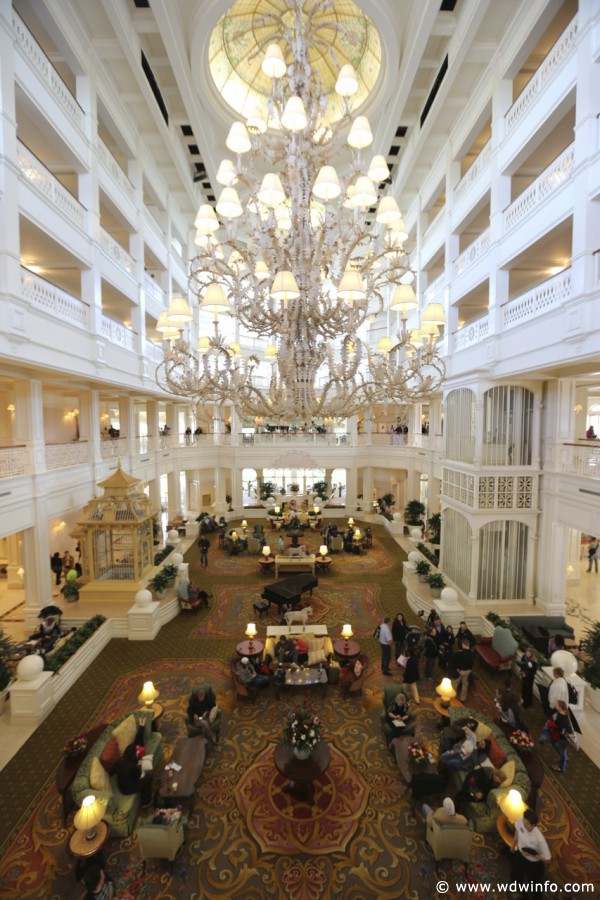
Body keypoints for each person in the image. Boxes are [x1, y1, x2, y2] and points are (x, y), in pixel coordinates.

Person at [113, 717, 153, 807]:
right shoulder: (132, 766)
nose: (137, 752)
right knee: (148, 776)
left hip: (122, 784)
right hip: (128, 788)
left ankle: (144, 796)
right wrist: (139, 765)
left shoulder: (120, 761)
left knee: (145, 776)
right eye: (136, 752)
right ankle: (147, 801)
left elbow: (112, 772)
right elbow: (138, 775)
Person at [510, 809, 551, 888]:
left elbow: (548, 860)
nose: (524, 825)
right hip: (520, 853)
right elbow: (517, 831)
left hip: (532, 862)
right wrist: (513, 845)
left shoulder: (539, 839)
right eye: (524, 822)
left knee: (534, 884)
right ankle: (519, 889)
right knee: (514, 874)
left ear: (534, 825)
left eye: (527, 824)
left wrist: (532, 855)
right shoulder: (522, 820)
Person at [540, 699, 571, 772]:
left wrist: (551, 725)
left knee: (561, 750)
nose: (555, 705)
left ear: (560, 707)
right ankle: (564, 758)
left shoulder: (560, 718)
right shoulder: (566, 713)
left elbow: (560, 729)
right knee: (558, 746)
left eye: (556, 704)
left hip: (562, 738)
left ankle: (561, 767)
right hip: (563, 737)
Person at [452, 638, 475, 703]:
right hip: (467, 672)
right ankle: (463, 698)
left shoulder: (458, 653)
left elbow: (454, 663)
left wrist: (455, 669)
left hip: (459, 671)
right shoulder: (472, 653)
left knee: (455, 684)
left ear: (463, 644)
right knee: (465, 684)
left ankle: (453, 697)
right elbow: (472, 663)